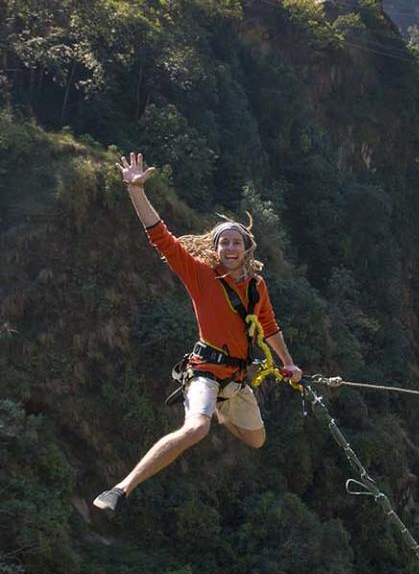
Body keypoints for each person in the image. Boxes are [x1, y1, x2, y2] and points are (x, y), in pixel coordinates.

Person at [93, 152, 302, 516]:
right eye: (225, 243)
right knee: (195, 430)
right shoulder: (201, 277)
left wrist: (289, 364)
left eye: (237, 242)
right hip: (205, 370)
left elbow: (268, 327)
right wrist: (136, 189)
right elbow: (161, 238)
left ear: (247, 248)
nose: (231, 248)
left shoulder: (256, 286)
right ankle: (120, 489)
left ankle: (220, 409)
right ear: (215, 248)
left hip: (236, 377)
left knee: (256, 440)